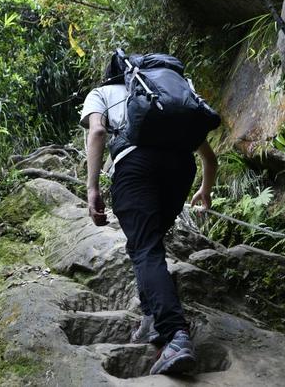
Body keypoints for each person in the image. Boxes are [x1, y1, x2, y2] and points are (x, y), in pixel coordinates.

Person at [80, 61, 218, 376]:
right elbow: (209, 157)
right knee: (147, 245)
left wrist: (91, 189)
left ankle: (174, 335)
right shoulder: (165, 97)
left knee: (145, 249)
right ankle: (151, 320)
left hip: (135, 166)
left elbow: (98, 131)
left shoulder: (101, 93)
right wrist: (205, 191)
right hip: (182, 168)